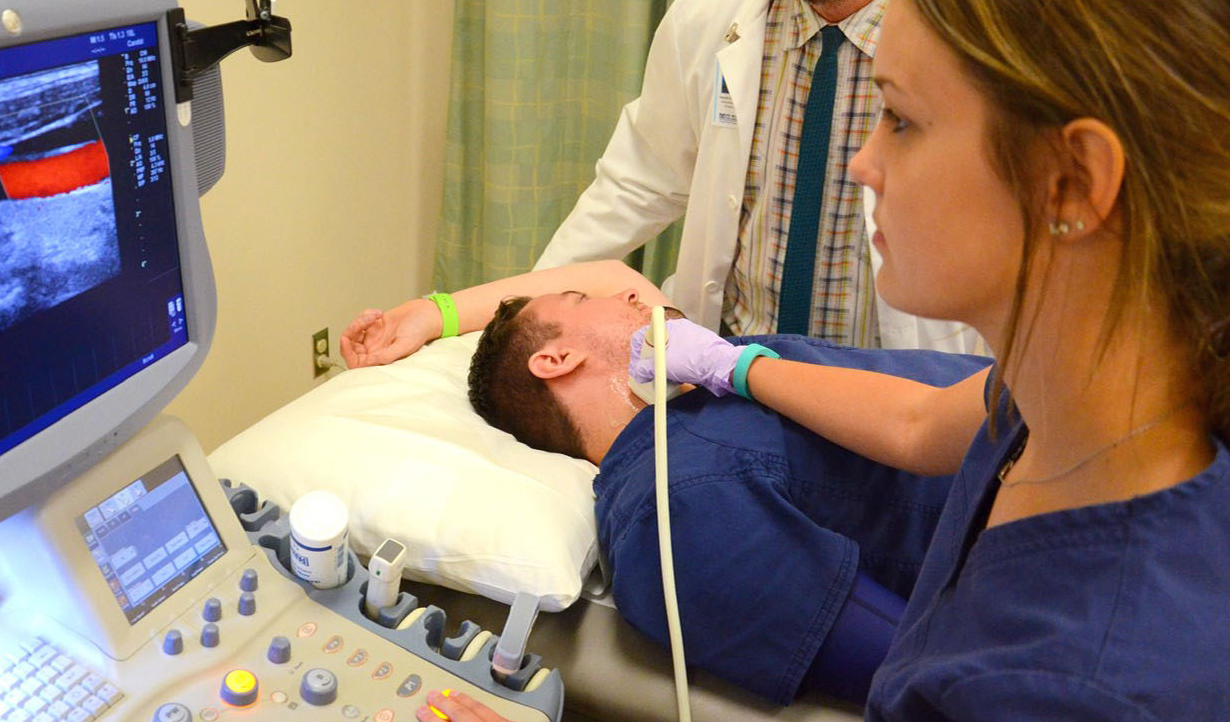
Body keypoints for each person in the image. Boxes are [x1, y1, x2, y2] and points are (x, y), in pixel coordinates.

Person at [413, 0, 1230, 721]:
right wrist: (736, 366)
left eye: (903, 120)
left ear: (1072, 185)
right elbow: (917, 427)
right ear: (558, 355)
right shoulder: (1056, 403)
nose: (863, 164)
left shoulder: (1062, 687)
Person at [342, 261, 990, 706]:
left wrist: (433, 314)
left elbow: (612, 277)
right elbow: (935, 671)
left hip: (1033, 419)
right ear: (556, 360)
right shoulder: (673, 510)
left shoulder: (712, 385)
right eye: (582, 303)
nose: (631, 293)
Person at [532, 0, 981, 356]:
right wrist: (521, 317)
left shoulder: (991, 33)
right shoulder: (707, 17)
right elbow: (634, 187)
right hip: (732, 374)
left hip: (905, 389)